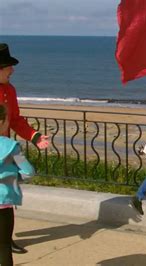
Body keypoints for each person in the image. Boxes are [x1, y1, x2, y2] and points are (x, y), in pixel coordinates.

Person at [0, 43, 49, 254]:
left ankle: (5, 241)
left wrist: (35, 136)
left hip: (5, 150)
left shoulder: (9, 90)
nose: (13, 70)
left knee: (6, 199)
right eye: (8, 66)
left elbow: (17, 120)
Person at [0, 104, 35, 266]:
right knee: (4, 246)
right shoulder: (11, 147)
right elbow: (28, 171)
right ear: (2, 122)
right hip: (3, 204)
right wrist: (13, 177)